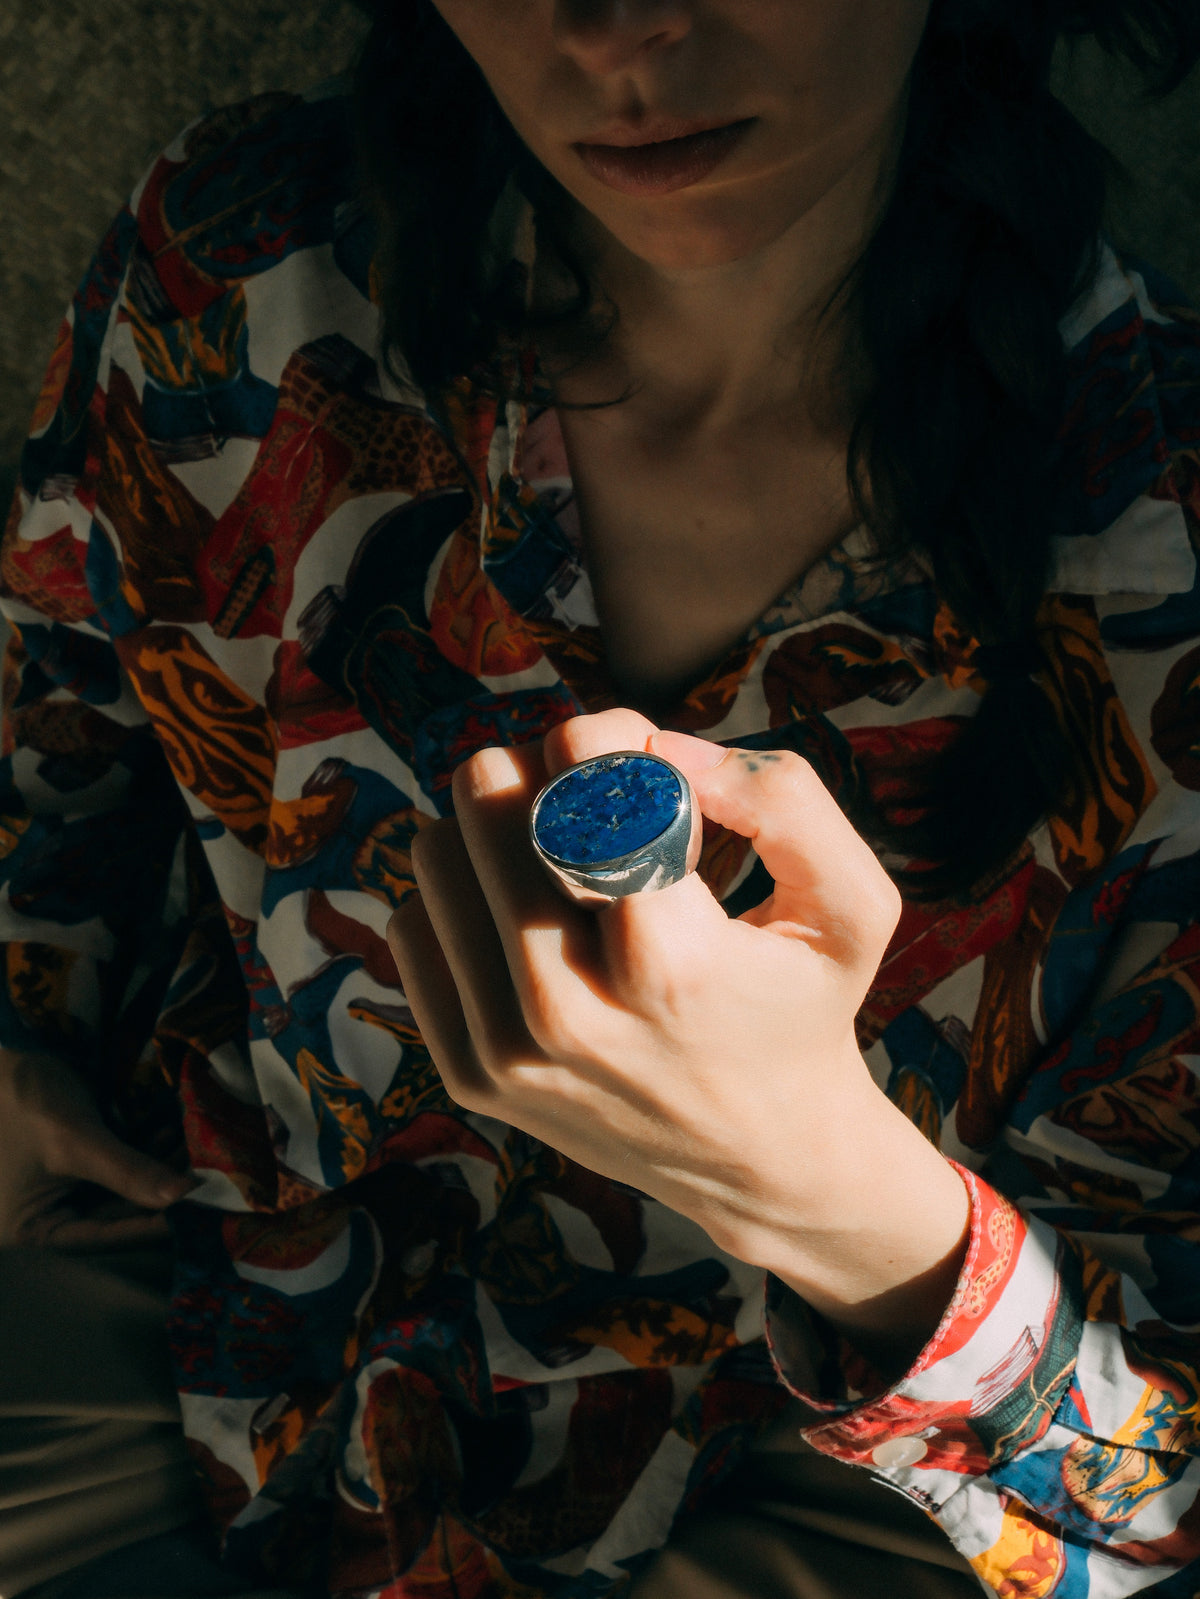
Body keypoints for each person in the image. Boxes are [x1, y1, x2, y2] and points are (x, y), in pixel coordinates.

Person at [2, 0, 1200, 1594]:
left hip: (807, 1490)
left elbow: (1160, 1510)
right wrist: (19, 1007)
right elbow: (54, 699)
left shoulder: (1166, 561)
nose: (615, 31)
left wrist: (832, 1192)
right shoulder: (249, 271)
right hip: (217, 1331)